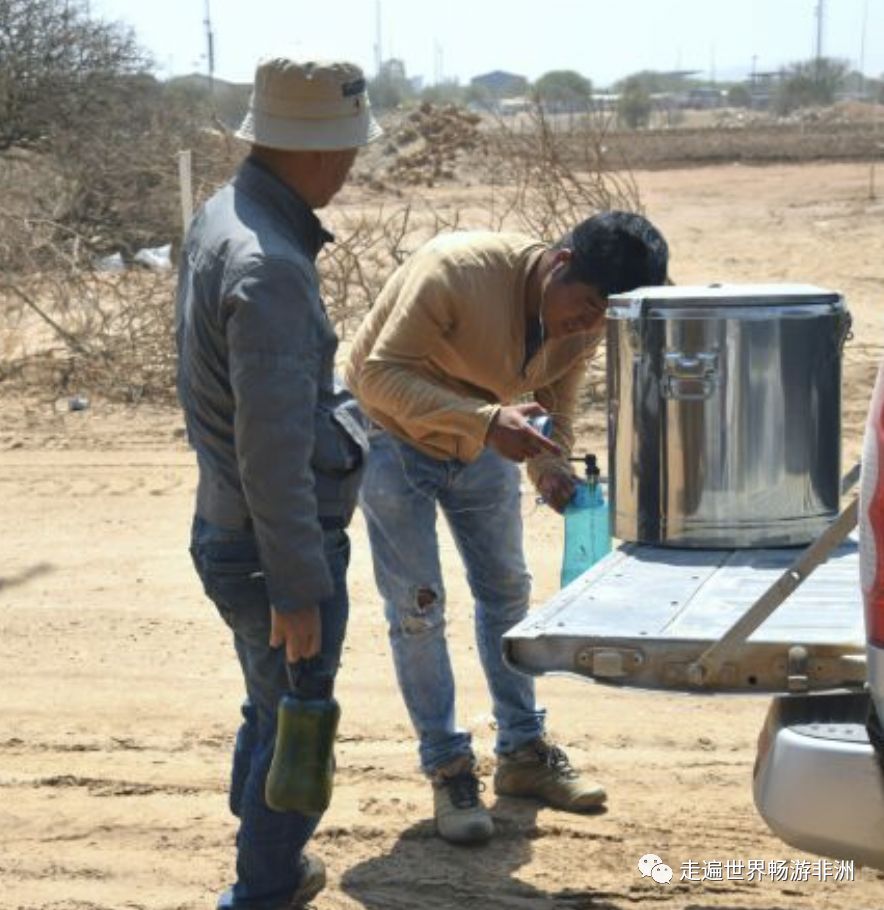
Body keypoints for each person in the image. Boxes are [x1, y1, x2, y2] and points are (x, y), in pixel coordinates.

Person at [345, 213, 668, 845]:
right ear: (560, 261)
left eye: (606, 316)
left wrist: (549, 466)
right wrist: (488, 420)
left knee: (507, 592)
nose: (588, 325)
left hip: (485, 435)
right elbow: (377, 376)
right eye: (587, 305)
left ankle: (522, 754)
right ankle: (448, 765)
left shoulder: (586, 321)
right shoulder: (455, 272)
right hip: (390, 435)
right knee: (418, 607)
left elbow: (555, 404)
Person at [176, 57, 381, 909]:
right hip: (270, 550)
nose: (352, 164)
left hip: (233, 531)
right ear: (313, 151)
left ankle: (260, 857)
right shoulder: (272, 266)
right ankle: (262, 888)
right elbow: (272, 450)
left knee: (270, 709)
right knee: (298, 724)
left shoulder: (229, 216)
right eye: (346, 149)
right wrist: (296, 587)